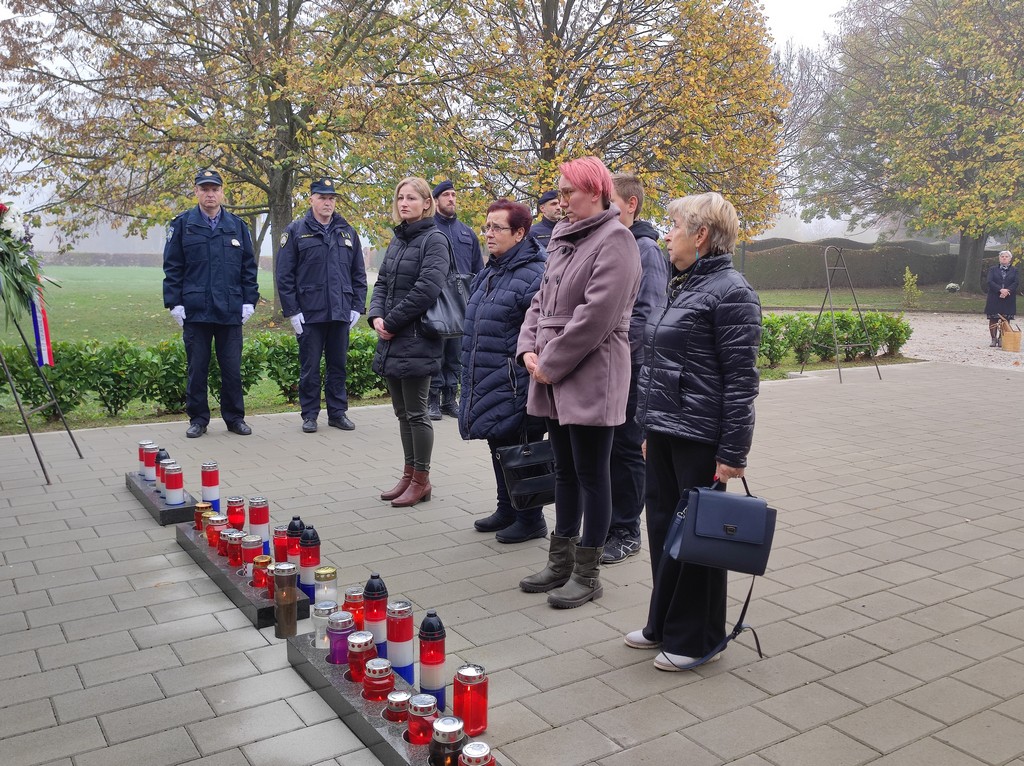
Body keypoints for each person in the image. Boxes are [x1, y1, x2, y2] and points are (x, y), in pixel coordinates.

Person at [625, 192, 761, 671]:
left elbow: (741, 381)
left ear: (701, 235)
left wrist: (733, 452)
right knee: (664, 529)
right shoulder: (682, 284)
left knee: (698, 538)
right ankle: (662, 624)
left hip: (701, 437)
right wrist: (650, 428)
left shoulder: (732, 291)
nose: (667, 235)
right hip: (666, 430)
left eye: (675, 226)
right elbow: (659, 364)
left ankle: (696, 639)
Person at [516, 156, 641, 608]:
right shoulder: (562, 238)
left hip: (592, 372)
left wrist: (549, 362)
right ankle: (561, 562)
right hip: (552, 370)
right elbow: (540, 300)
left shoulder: (616, 239)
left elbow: (597, 317)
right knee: (565, 471)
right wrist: (528, 348)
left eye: (569, 191)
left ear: (596, 191)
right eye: (560, 191)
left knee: (592, 474)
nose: (561, 200)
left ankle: (587, 575)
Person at [459, 199, 548, 543]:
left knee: (522, 448)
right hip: (490, 376)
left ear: (520, 233)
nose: (489, 234)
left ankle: (531, 518)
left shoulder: (535, 273)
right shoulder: (492, 270)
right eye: (487, 227)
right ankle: (507, 508)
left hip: (516, 381)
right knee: (499, 443)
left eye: (497, 228)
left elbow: (538, 330)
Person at [368, 177, 450, 507]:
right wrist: (376, 316)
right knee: (403, 412)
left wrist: (391, 322)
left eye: (412, 198)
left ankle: (422, 480)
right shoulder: (398, 240)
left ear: (427, 203)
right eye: (400, 197)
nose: (404, 203)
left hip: (417, 338)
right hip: (393, 337)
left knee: (417, 412)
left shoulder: (435, 239)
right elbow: (382, 283)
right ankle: (408, 475)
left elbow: (427, 289)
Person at [601, 172, 669, 565]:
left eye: (610, 201)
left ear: (632, 204)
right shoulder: (616, 243)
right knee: (610, 450)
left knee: (627, 449)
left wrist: (620, 359)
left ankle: (627, 531)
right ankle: (610, 524)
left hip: (632, 369)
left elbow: (647, 316)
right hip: (611, 367)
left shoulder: (645, 249)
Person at [163, 168, 259, 438]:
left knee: (232, 369)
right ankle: (198, 419)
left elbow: (248, 268)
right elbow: (173, 267)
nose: (210, 194)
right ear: (196, 192)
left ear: (222, 192)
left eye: (214, 189)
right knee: (197, 369)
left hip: (230, 309)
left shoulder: (237, 226)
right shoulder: (182, 225)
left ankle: (235, 418)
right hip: (196, 309)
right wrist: (174, 303)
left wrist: (249, 300)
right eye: (204, 189)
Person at [275, 177, 368, 433]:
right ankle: (310, 415)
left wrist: (357, 306)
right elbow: (284, 275)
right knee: (310, 368)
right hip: (309, 313)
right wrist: (292, 311)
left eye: (331, 198)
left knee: (338, 366)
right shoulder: (295, 231)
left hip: (340, 311)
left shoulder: (347, 231)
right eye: (322, 197)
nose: (328, 202)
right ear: (311, 199)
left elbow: (358, 274)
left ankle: (338, 413)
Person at [430, 180, 485, 420]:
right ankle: (432, 399)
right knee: (436, 352)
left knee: (455, 353)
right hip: (436, 300)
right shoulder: (428, 228)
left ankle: (449, 399)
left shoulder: (467, 233)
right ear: (435, 200)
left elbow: (478, 269)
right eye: (446, 195)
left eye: (453, 194)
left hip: (462, 302)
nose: (451, 198)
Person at [985, 250, 1018, 347]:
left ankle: (1001, 339)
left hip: (1008, 297)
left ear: (1010, 259)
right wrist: (1000, 290)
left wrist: (1007, 291)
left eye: (1006, 256)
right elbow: (990, 281)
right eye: (1002, 256)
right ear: (999, 258)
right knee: (993, 318)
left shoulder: (1014, 270)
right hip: (994, 296)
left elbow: (1016, 282)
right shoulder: (993, 269)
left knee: (1005, 319)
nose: (1004, 258)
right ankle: (993, 339)